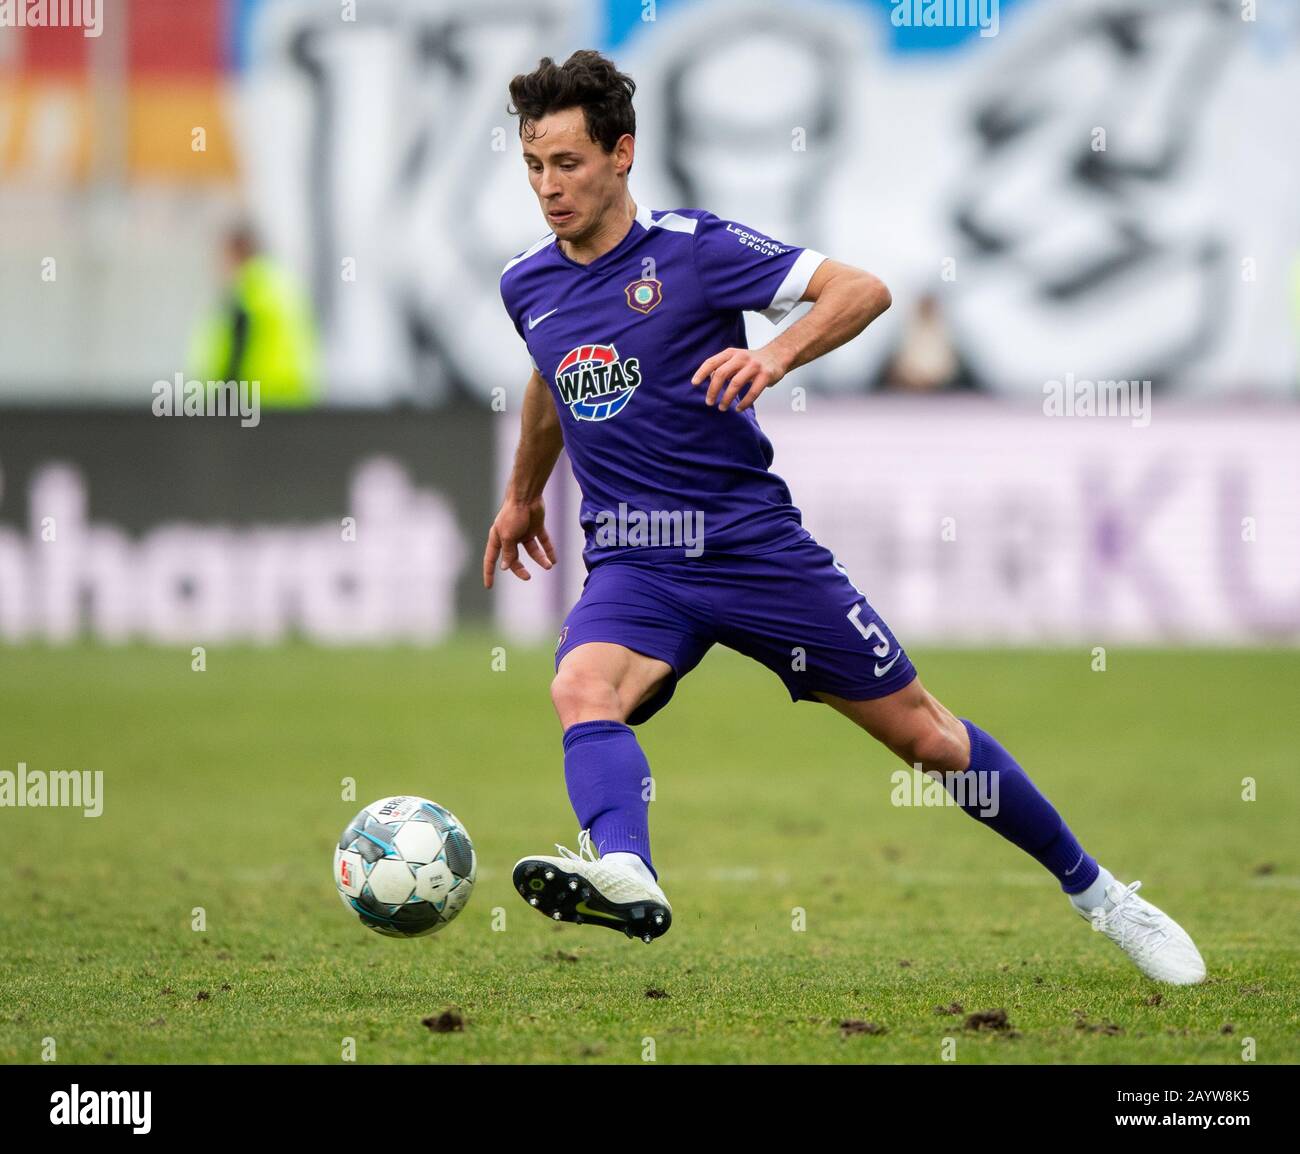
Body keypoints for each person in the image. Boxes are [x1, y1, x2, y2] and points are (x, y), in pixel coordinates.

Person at [486, 50, 1204, 984]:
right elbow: (549, 379)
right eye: (535, 166)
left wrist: (774, 356)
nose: (549, 187)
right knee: (582, 691)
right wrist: (520, 493)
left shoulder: (694, 249)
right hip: (636, 561)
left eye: (568, 163)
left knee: (928, 737)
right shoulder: (526, 284)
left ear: (622, 153)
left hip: (751, 547)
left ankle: (1105, 896)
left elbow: (861, 290)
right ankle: (624, 867)